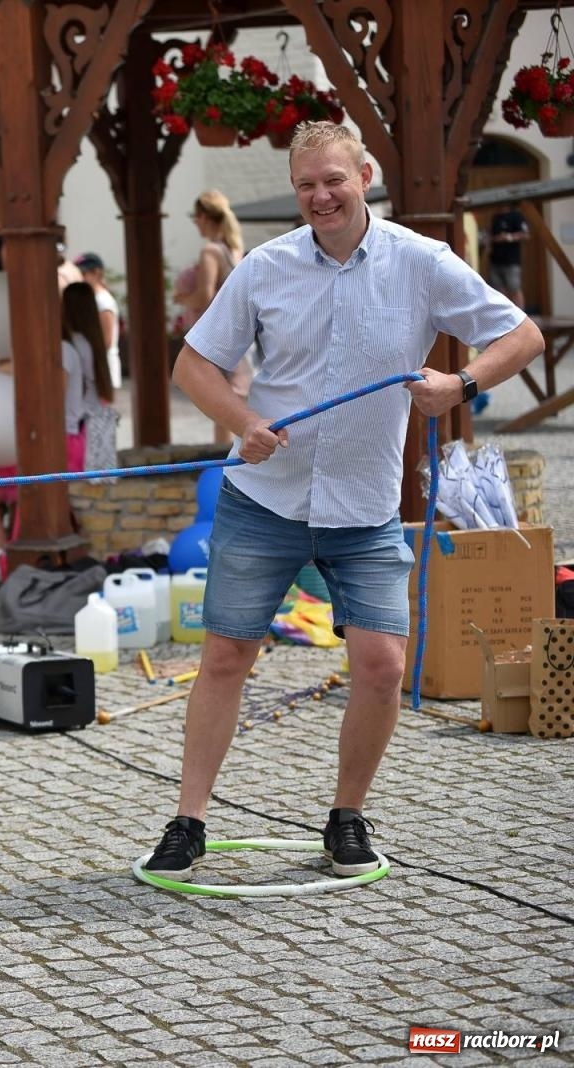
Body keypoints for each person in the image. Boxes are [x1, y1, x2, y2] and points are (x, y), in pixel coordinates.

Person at [143, 123, 542, 881]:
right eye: (305, 186)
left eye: (333, 180)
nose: (320, 196)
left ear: (364, 174)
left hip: (363, 510)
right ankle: (188, 823)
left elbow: (521, 337)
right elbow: (191, 366)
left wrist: (459, 386)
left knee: (383, 664)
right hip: (264, 499)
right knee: (225, 656)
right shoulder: (265, 267)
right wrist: (242, 424)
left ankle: (346, 818)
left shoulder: (422, 263)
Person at [0, 282, 111, 583]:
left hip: (57, 445)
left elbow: (49, 404)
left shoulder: (61, 349)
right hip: (64, 440)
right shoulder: (78, 345)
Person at [172, 191, 250, 443]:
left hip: (215, 338)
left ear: (204, 217)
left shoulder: (210, 251)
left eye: (195, 218)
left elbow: (205, 296)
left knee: (221, 411)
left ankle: (221, 462)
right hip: (239, 334)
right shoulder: (234, 248)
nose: (195, 223)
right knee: (237, 402)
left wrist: (182, 298)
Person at [75, 252, 123, 389]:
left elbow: (106, 341)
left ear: (96, 272)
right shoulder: (92, 298)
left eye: (83, 274)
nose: (80, 278)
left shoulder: (103, 301)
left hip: (103, 370)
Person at [486, 207, 529, 309]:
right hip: (495, 260)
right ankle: (503, 314)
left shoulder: (517, 216)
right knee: (497, 290)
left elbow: (526, 235)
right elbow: (490, 235)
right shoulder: (495, 217)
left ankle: (521, 315)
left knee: (514, 288)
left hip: (511, 261)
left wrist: (509, 237)